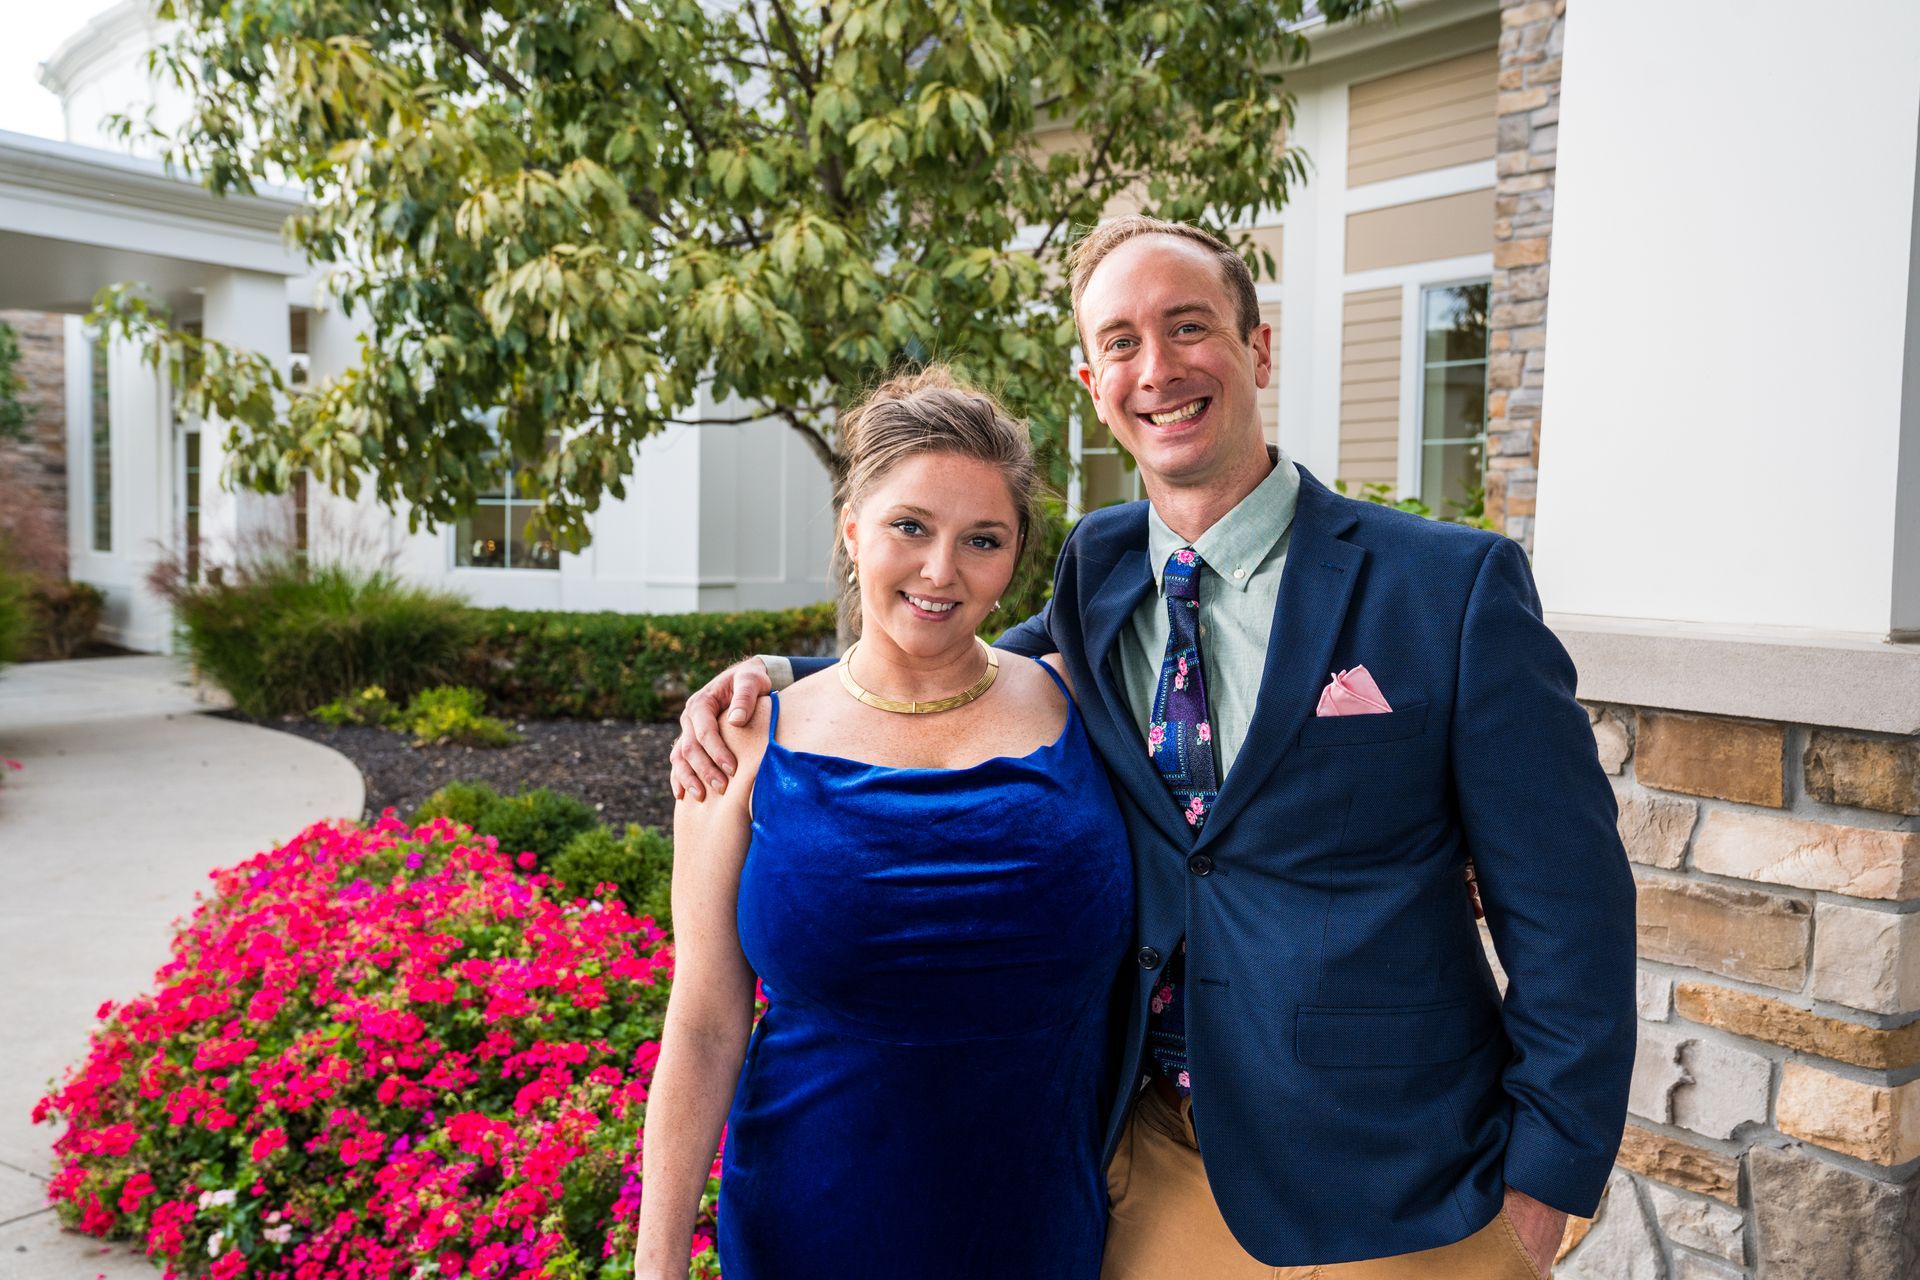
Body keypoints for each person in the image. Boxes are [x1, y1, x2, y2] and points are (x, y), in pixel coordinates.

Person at [672, 215, 1637, 1278]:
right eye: (1123, 341)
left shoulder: (1448, 590)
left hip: (1404, 1193)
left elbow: (1573, 911)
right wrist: (779, 682)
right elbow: (953, 670)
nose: (1159, 367)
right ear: (1094, 381)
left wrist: (1540, 1188)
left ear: (1257, 348)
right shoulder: (1103, 572)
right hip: (1148, 1176)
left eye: (1190, 326)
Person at [632, 368, 1134, 1280]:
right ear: (853, 530)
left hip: (1038, 1231)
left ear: (1015, 560)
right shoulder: (742, 742)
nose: (941, 570)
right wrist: (656, 1261)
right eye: (911, 527)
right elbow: (705, 1018)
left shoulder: (1090, 700)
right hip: (805, 1226)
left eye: (981, 540)